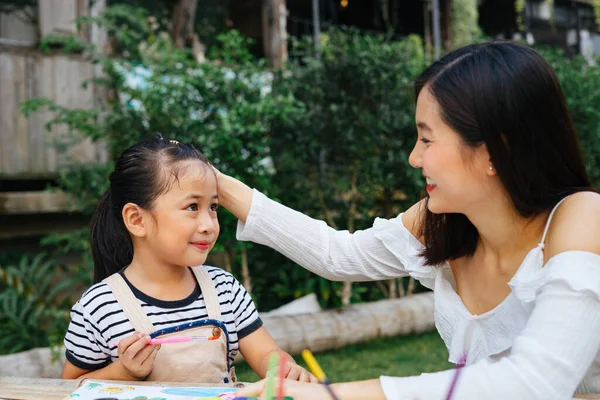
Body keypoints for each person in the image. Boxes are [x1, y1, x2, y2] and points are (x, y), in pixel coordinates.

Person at [219, 41, 600, 399]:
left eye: (427, 140)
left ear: (494, 150)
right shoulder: (445, 223)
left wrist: (331, 393)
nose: (414, 158)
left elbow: (534, 381)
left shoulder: (581, 218)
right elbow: (338, 254)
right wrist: (219, 186)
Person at [62, 138, 316, 384]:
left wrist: (284, 370)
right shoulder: (98, 306)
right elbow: (69, 386)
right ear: (137, 220)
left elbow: (265, 354)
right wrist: (124, 372)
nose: (208, 225)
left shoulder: (224, 288)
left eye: (213, 207)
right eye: (193, 207)